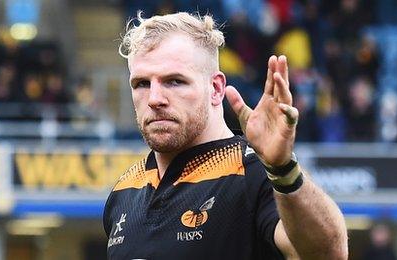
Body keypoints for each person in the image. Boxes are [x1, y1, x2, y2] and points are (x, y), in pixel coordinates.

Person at [103, 12, 348, 260]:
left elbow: (328, 254)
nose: (155, 99)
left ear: (216, 88)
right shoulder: (124, 190)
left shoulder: (254, 174)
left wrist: (283, 169)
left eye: (175, 81)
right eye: (142, 84)